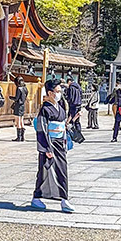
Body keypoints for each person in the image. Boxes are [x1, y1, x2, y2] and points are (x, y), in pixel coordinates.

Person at [32, 81, 76, 212]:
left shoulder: (60, 107)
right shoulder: (45, 109)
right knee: (44, 170)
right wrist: (46, 148)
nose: (59, 94)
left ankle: (64, 199)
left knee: (62, 170)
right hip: (49, 143)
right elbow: (42, 128)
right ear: (50, 93)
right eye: (57, 91)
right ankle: (37, 196)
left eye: (60, 91)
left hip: (59, 143)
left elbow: (62, 124)